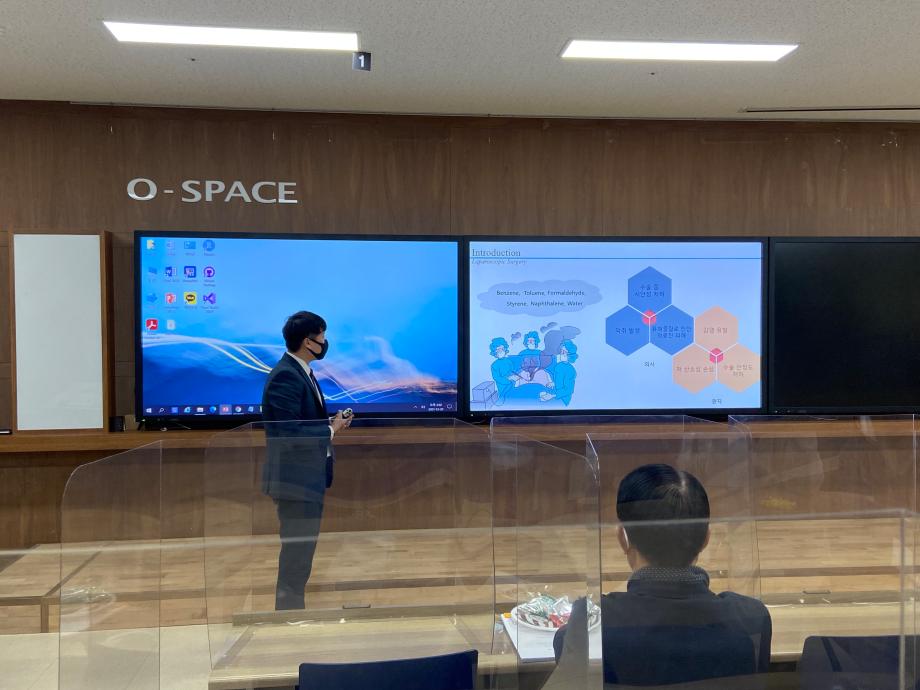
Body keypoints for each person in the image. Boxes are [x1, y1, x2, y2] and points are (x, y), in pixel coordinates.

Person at [553, 464, 772, 685]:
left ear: (622, 538)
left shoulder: (591, 623)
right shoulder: (752, 617)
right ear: (706, 539)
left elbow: (566, 658)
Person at [261, 311, 352, 610]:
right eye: (322, 337)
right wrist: (330, 429)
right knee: (296, 553)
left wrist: (330, 423)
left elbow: (300, 421)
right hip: (294, 481)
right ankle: (288, 616)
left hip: (307, 479)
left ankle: (292, 612)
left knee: (302, 551)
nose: (325, 343)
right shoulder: (286, 375)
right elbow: (287, 433)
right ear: (307, 342)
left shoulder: (303, 371)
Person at [539, 340, 577, 405]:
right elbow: (559, 381)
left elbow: (568, 390)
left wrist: (552, 396)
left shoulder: (570, 370)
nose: (561, 353)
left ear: (570, 355)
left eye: (564, 352)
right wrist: (553, 383)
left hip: (562, 399)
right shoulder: (559, 366)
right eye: (561, 351)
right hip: (555, 393)